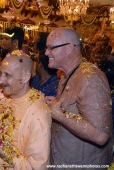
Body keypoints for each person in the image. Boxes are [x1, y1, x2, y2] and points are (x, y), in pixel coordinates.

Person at [44, 27, 112, 168]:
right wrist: (56, 104)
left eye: (51, 48)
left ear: (69, 48)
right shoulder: (67, 74)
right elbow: (71, 109)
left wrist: (61, 116)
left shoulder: (90, 77)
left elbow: (101, 135)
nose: (46, 53)